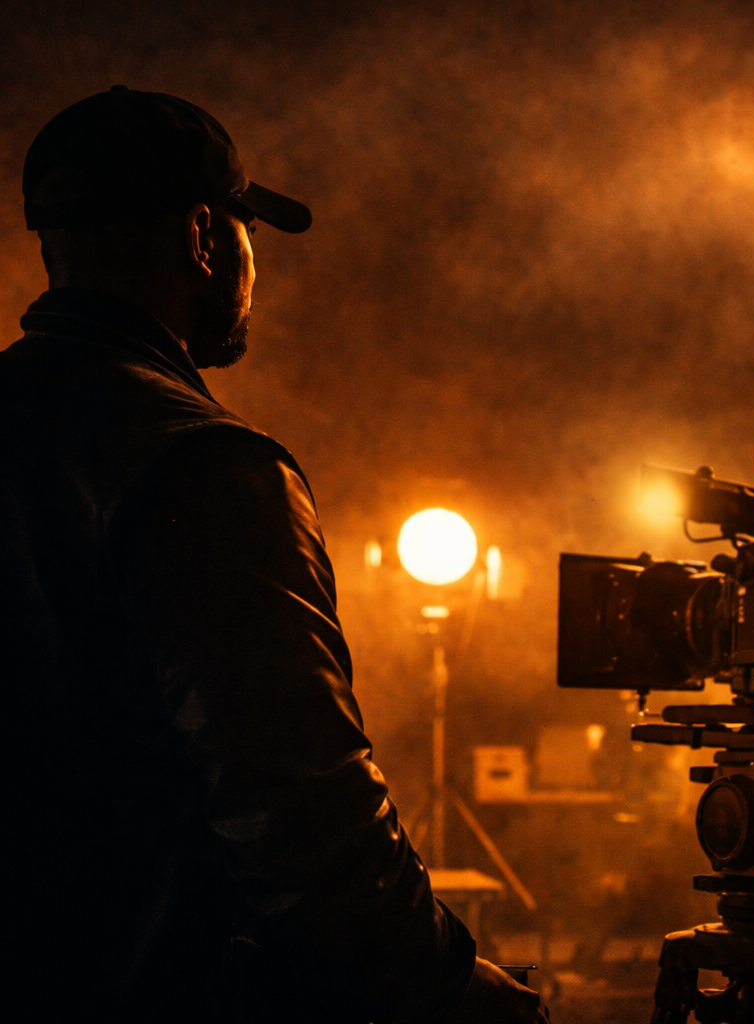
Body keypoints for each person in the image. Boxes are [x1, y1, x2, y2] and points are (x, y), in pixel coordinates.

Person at [0, 87, 549, 1024]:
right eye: (250, 235)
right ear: (204, 237)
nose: (254, 268)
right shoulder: (202, 462)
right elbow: (297, 811)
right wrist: (451, 986)